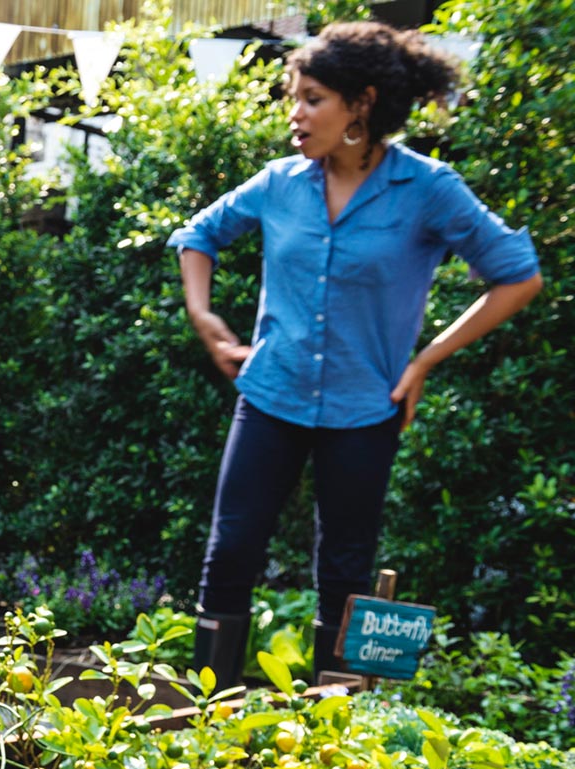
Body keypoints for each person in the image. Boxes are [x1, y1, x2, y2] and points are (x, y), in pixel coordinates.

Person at [169, 21, 541, 682]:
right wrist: (204, 314)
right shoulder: (281, 182)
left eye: (312, 97)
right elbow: (199, 235)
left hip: (366, 408)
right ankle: (206, 720)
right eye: (294, 96)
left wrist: (426, 360)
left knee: (344, 572)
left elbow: (518, 275)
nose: (296, 113)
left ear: (360, 105)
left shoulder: (427, 189)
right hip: (271, 393)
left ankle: (332, 734)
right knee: (230, 555)